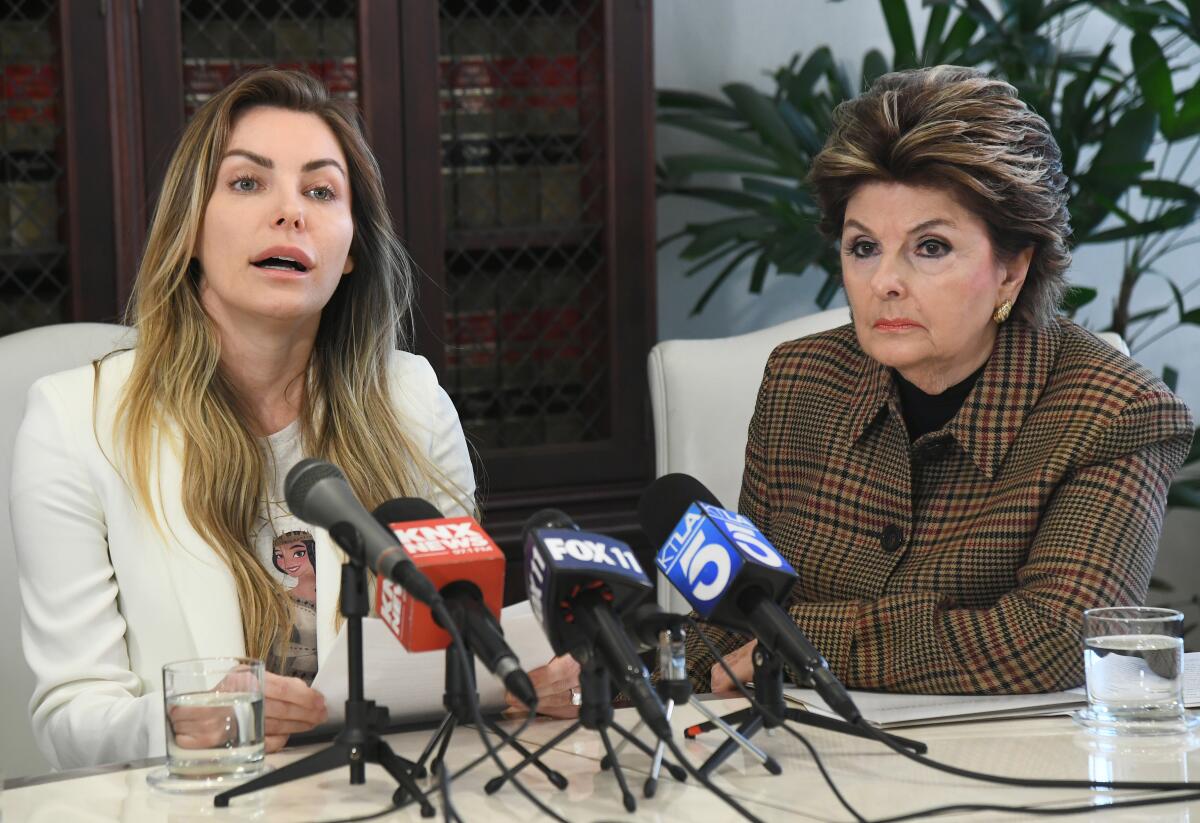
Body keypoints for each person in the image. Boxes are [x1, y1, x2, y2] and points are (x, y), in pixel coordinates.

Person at [11, 69, 475, 769]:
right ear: (189, 228)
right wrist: (177, 719)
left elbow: (464, 638)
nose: (291, 212)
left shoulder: (412, 402)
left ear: (350, 251)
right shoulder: (75, 421)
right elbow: (70, 715)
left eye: (321, 191)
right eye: (248, 183)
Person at [679, 65, 1195, 696]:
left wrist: (791, 640)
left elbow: (1056, 640)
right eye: (863, 247)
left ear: (1011, 270)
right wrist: (599, 672)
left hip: (1008, 768)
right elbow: (735, 616)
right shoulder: (801, 380)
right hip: (800, 752)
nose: (884, 282)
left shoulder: (1115, 410)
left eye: (930, 248)